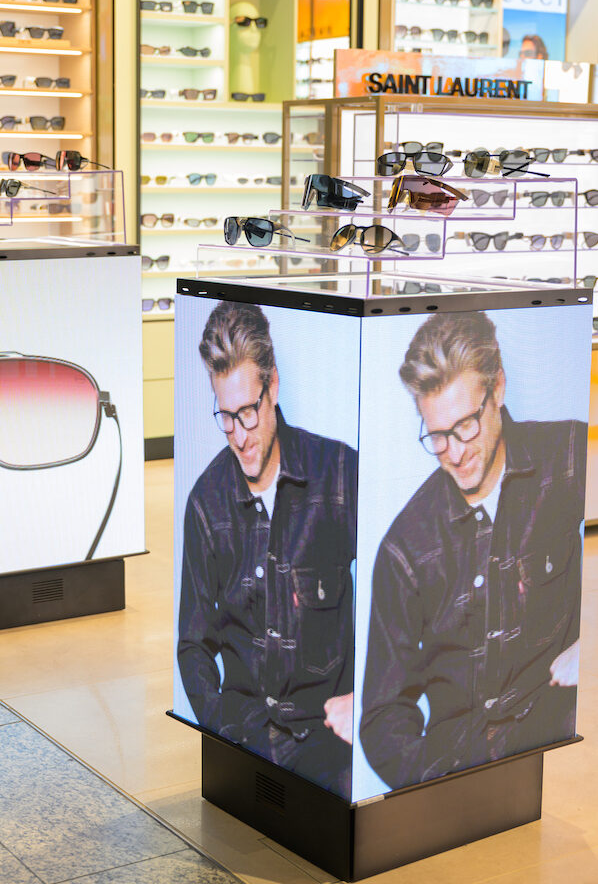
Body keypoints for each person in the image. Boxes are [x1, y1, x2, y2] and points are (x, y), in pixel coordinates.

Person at [360, 310, 586, 791]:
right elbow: (383, 718)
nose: (455, 452)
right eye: (437, 436)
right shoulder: (405, 548)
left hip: (561, 773)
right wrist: (440, 789)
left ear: (497, 389)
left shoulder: (569, 458)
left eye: (465, 425)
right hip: (457, 775)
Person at [178, 301, 357, 797]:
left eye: (248, 412)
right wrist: (224, 728)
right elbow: (193, 645)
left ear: (272, 387)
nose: (239, 435)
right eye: (225, 416)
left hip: (330, 749)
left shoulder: (339, 473)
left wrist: (364, 697)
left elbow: (396, 603)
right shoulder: (205, 503)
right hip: (247, 741)